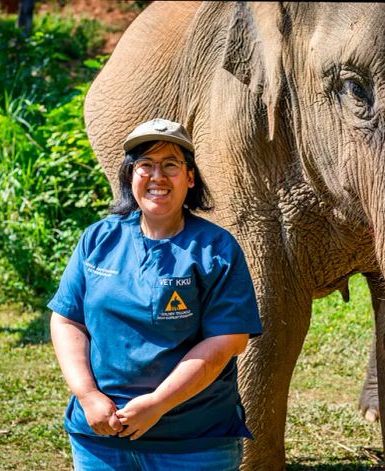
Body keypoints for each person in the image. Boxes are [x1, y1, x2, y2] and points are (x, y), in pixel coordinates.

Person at [48, 118, 262, 470]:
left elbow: (228, 341)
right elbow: (68, 319)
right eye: (145, 165)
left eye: (170, 165)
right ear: (130, 176)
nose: (157, 176)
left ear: (190, 177)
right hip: (100, 439)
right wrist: (88, 396)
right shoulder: (98, 239)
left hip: (193, 444)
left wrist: (157, 404)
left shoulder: (216, 249)